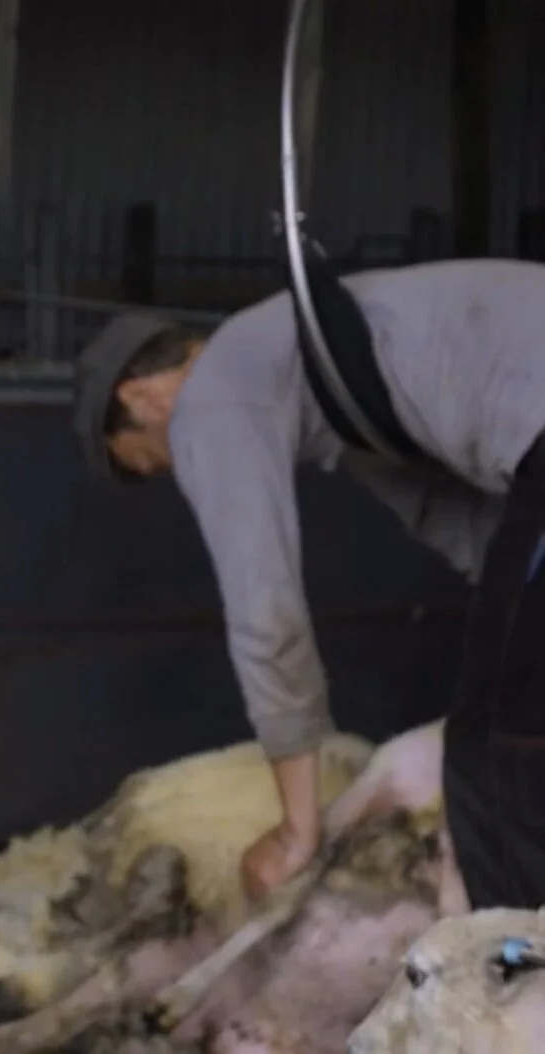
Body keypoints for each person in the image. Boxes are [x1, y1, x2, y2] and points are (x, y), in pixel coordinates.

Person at [74, 257, 545, 912]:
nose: (183, 468)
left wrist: (299, 831)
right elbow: (482, 538)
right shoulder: (333, 369)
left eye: (158, 459)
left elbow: (267, 614)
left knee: (499, 755)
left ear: (139, 396)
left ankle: (516, 986)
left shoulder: (213, 390)